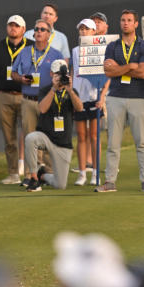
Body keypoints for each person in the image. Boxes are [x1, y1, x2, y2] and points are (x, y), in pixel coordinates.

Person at [100, 9, 144, 193]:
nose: (125, 23)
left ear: (136, 24)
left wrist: (121, 68)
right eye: (123, 20)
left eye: (129, 20)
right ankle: (110, 181)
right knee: (113, 143)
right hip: (115, 97)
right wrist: (131, 66)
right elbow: (108, 71)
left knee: (142, 142)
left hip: (138, 98)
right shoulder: (112, 46)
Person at [0, 15, 31, 185]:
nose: (13, 28)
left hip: (27, 96)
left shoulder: (31, 47)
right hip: (3, 96)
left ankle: (31, 174)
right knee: (9, 139)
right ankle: (13, 174)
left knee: (30, 136)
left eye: (17, 26)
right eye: (10, 25)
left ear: (23, 29)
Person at [21, 59, 85, 192]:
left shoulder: (72, 91)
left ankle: (42, 176)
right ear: (51, 74)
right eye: (57, 74)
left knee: (60, 185)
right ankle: (33, 178)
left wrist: (70, 90)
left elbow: (79, 108)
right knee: (30, 138)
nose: (61, 78)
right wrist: (54, 89)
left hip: (63, 142)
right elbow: (42, 109)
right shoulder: (45, 90)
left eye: (63, 75)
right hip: (46, 137)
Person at [11, 18, 65, 138]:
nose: (39, 31)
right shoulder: (24, 52)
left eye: (42, 29)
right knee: (30, 140)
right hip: (28, 102)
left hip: (48, 100)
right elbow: (13, 73)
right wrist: (21, 79)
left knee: (48, 139)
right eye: (36, 29)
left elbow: (63, 77)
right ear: (34, 33)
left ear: (49, 34)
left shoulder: (56, 54)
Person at [70, 19, 107, 186]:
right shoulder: (75, 51)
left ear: (94, 32)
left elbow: (107, 76)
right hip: (79, 97)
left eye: (87, 29)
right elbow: (73, 73)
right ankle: (82, 173)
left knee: (94, 135)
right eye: (81, 29)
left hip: (94, 97)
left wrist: (102, 97)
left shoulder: (101, 50)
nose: (84, 32)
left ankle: (96, 173)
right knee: (81, 136)